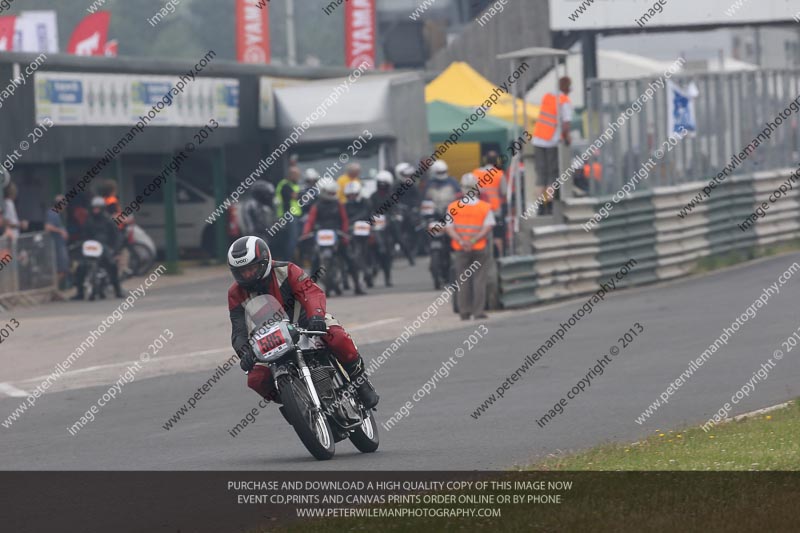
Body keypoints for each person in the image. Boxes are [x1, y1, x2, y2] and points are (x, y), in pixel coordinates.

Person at [226, 235, 379, 409]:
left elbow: (311, 293)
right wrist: (244, 351)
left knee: (337, 337)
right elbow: (238, 329)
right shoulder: (235, 293)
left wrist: (316, 316)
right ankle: (296, 402)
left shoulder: (287, 270)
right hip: (270, 340)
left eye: (251, 268)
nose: (247, 275)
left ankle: (360, 381)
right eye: (241, 271)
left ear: (264, 261)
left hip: (307, 324)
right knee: (256, 378)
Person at [445, 174, 495, 320]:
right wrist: (473, 241)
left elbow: (449, 228)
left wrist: (461, 241)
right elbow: (487, 227)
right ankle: (478, 311)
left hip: (460, 249)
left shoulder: (453, 207)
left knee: (462, 280)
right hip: (479, 247)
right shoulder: (484, 207)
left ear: (462, 189)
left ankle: (464, 312)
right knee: (479, 279)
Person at [303, 179, 365, 295]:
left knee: (349, 258)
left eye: (333, 192)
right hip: (321, 236)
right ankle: (311, 290)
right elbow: (310, 221)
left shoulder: (338, 204)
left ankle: (357, 285)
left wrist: (345, 234)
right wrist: (306, 233)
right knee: (315, 262)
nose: (333, 195)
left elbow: (344, 220)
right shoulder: (316, 206)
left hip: (337, 235)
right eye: (330, 193)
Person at [532, 76, 573, 215]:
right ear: (567, 88)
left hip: (538, 139)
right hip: (551, 141)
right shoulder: (564, 101)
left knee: (540, 175)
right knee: (551, 175)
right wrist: (567, 138)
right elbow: (566, 125)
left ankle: (540, 206)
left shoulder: (548, 96)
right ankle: (548, 205)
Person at [72, 196, 123, 300]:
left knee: (112, 265)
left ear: (102, 208)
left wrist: (116, 250)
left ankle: (118, 290)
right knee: (80, 267)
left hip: (104, 247)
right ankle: (80, 293)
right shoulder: (88, 220)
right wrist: (81, 243)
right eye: (94, 208)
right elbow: (83, 234)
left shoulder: (109, 221)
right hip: (90, 247)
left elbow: (116, 236)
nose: (95, 210)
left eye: (98, 208)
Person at [472, 151, 507, 256]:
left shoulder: (475, 173)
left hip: (479, 209)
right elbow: (504, 192)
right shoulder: (499, 173)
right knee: (497, 235)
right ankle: (499, 260)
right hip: (495, 209)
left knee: (479, 234)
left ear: (485, 160)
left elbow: (472, 191)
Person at [368, 171, 396, 287]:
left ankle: (387, 277)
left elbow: (395, 208)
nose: (382, 187)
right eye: (380, 184)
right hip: (375, 227)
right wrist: (371, 218)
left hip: (388, 227)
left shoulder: (392, 196)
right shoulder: (373, 196)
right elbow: (369, 209)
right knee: (369, 248)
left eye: (384, 184)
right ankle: (370, 274)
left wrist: (394, 216)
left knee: (388, 253)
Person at [392, 162, 418, 265]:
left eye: (409, 175)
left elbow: (418, 198)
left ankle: (416, 248)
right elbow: (391, 199)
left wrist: (415, 207)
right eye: (405, 175)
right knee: (396, 231)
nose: (408, 177)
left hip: (410, 211)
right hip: (398, 212)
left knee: (418, 226)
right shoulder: (395, 186)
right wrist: (397, 208)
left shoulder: (412, 186)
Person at [275, 168, 303, 261]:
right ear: (291, 175)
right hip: (289, 215)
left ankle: (292, 260)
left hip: (293, 215)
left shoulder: (292, 185)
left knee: (293, 239)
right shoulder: (285, 185)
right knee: (292, 239)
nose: (298, 177)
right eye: (296, 175)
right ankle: (288, 260)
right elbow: (295, 196)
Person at [44, 195, 70, 286]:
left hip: (60, 245)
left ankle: (54, 289)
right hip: (56, 246)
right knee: (61, 269)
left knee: (62, 269)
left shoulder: (57, 214)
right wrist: (61, 231)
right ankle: (53, 288)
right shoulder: (52, 213)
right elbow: (47, 227)